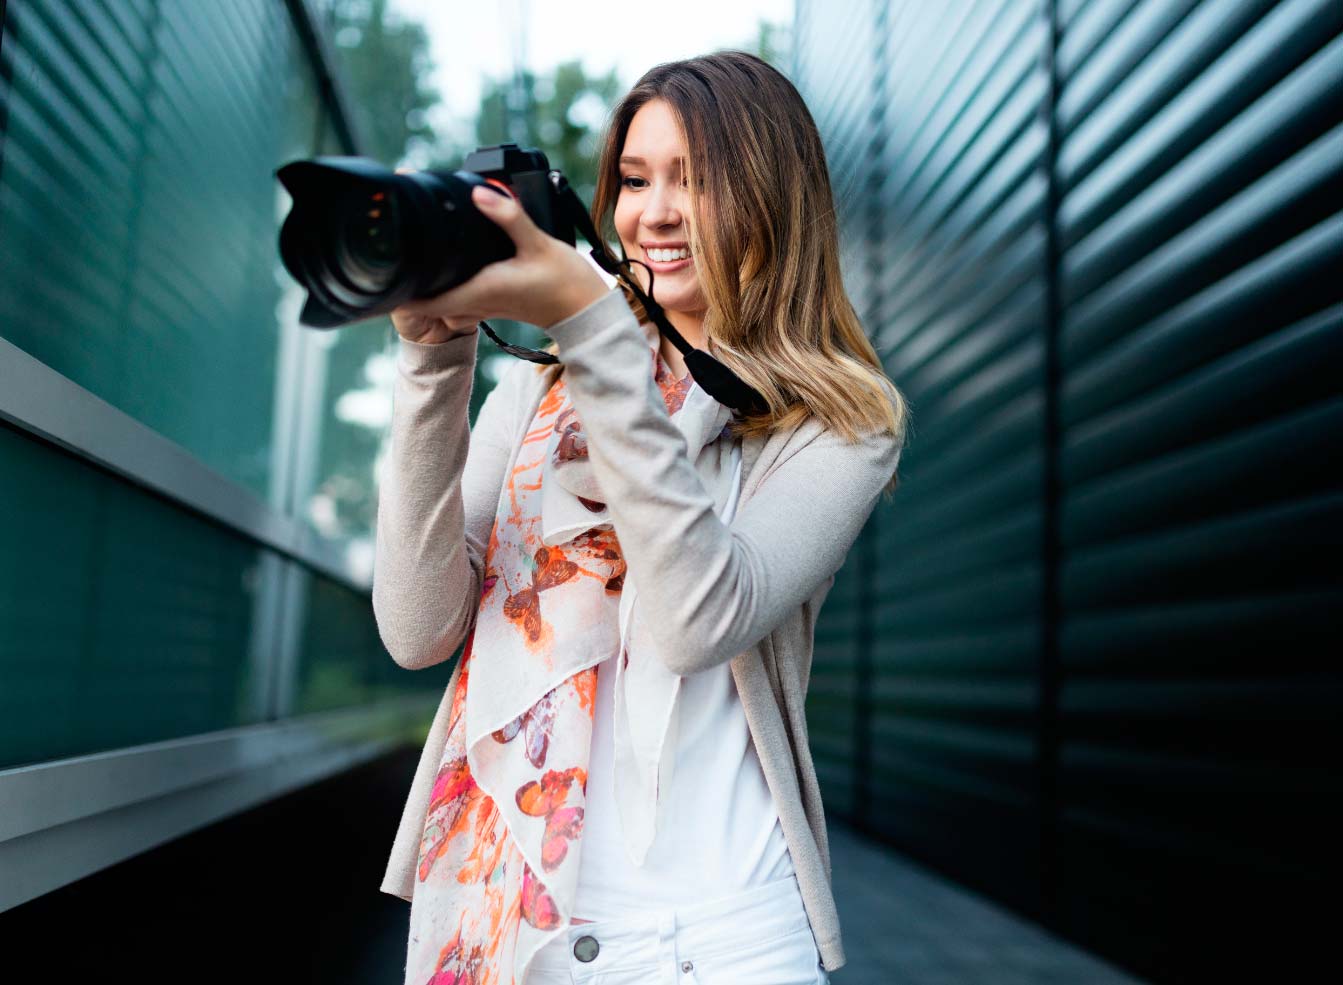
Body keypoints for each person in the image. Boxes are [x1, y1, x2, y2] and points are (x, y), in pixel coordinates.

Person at [374, 50, 909, 985]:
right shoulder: (535, 397)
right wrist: (432, 366)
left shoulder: (839, 425)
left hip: (723, 941)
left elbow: (696, 617)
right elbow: (417, 631)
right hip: (506, 921)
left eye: (695, 181)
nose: (652, 213)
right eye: (632, 178)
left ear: (770, 201)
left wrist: (592, 330)